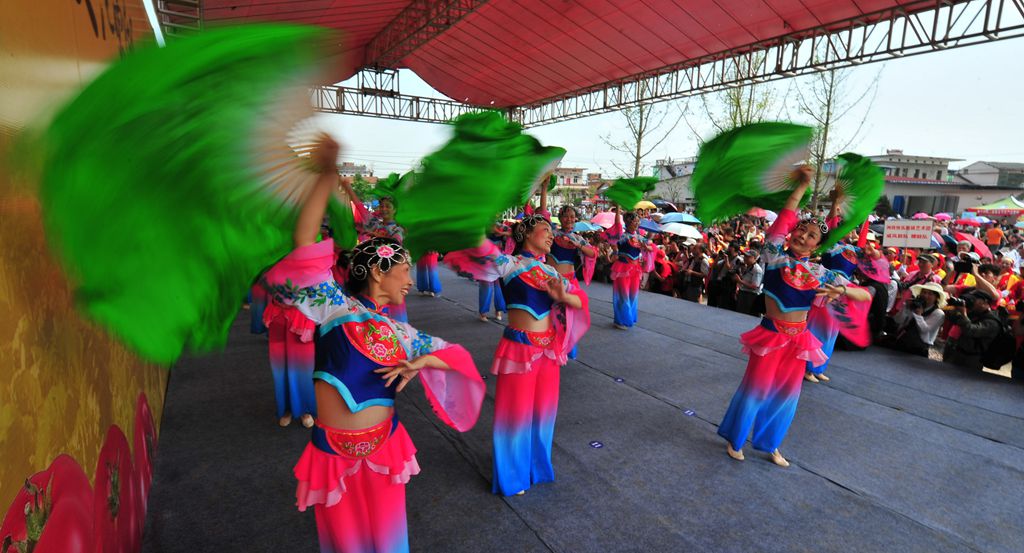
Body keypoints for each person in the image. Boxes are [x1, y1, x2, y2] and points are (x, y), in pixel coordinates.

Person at [264, 136, 484, 553]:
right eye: (403, 270)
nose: (408, 279)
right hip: (333, 453)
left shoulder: (400, 333)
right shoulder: (332, 307)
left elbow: (457, 360)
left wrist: (422, 363)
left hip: (386, 446)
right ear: (378, 274)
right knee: (345, 544)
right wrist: (327, 175)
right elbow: (305, 240)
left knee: (388, 541)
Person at [718, 166, 870, 467]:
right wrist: (801, 187)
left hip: (799, 341)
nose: (803, 235)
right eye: (801, 230)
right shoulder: (775, 256)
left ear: (818, 246)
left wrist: (841, 291)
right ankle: (736, 438)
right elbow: (785, 218)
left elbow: (864, 295)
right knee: (755, 390)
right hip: (771, 336)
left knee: (787, 396)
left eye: (811, 235)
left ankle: (771, 443)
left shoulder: (819, 271)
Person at [444, 214, 590, 496]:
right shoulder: (509, 264)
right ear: (525, 234)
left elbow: (579, 299)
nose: (551, 235)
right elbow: (479, 247)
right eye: (544, 230)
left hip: (548, 351)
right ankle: (512, 473)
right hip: (520, 350)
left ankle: (536, 465)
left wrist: (565, 298)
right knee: (515, 413)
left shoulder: (552, 272)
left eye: (552, 230)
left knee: (543, 413)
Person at [609, 211, 653, 329]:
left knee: (633, 295)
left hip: (635, 269)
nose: (637, 223)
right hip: (623, 268)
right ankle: (620, 320)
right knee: (623, 295)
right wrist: (618, 209)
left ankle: (629, 318)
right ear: (628, 222)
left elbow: (650, 248)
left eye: (638, 221)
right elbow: (616, 228)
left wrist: (646, 246)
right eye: (634, 221)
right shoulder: (622, 236)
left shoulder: (639, 237)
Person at [943, 289, 1002, 370]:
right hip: (957, 353)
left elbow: (971, 330)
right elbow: (952, 320)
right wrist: (954, 309)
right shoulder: (974, 313)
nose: (970, 302)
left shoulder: (992, 322)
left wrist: (963, 314)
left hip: (972, 359)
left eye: (973, 300)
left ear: (984, 302)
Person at [884, 282, 946, 357]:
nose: (926, 296)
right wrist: (905, 308)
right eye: (924, 292)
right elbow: (898, 320)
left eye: (930, 294)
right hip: (902, 341)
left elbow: (925, 330)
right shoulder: (916, 305)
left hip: (918, 349)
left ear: (936, 297)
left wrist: (918, 315)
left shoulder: (938, 313)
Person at [733, 249, 763, 316]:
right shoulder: (748, 266)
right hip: (743, 293)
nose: (745, 258)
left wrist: (740, 281)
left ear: (754, 258)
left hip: (750, 296)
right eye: (745, 256)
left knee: (747, 316)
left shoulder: (757, 269)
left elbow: (755, 286)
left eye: (748, 257)